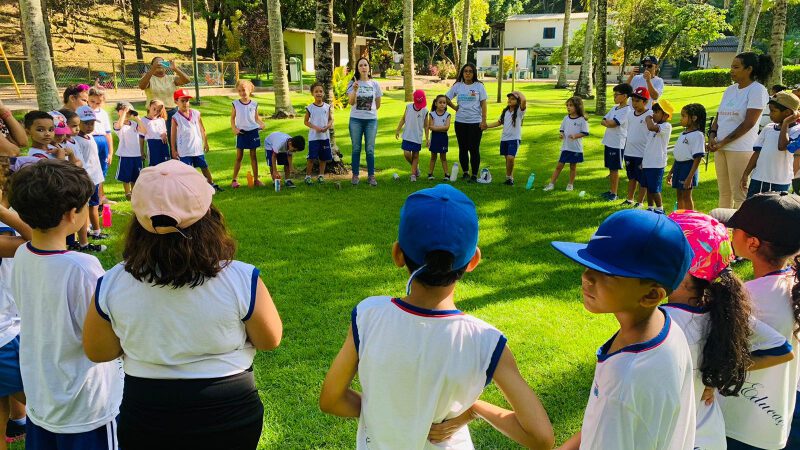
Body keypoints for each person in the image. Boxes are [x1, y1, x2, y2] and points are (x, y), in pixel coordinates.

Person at [320, 184, 555, 449]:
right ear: (474, 260)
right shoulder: (487, 341)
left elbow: (331, 399)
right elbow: (541, 438)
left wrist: (389, 413)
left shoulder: (368, 315)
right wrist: (475, 407)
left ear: (397, 254)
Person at [82, 160, 282, 449]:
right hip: (229, 412)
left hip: (146, 413)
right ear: (209, 215)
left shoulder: (112, 282)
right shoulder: (241, 277)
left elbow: (99, 351)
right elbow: (269, 340)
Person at [552, 209, 696, 449]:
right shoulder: (665, 325)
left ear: (651, 295)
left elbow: (613, 410)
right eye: (588, 265)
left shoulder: (623, 382)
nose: (586, 277)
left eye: (606, 273)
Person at [8, 159, 123, 449]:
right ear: (73, 214)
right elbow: (104, 330)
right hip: (86, 406)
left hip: (43, 397)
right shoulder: (83, 266)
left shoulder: (22, 254)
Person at [664, 210, 794, 450]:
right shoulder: (722, 308)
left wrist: (717, 376)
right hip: (709, 435)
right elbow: (781, 348)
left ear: (682, 267)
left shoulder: (665, 323)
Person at [714, 193, 800, 449]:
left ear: (752, 243)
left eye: (736, 229)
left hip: (744, 425)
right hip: (785, 414)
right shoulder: (793, 285)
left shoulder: (747, 298)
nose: (731, 233)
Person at [708, 52, 773, 209]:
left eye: (736, 67)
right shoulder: (730, 90)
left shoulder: (757, 90)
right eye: (731, 66)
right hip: (719, 147)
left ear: (749, 69)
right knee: (724, 193)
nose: (731, 70)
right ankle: (724, 229)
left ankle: (740, 231)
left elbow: (749, 123)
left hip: (740, 149)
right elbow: (719, 117)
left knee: (739, 195)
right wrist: (712, 135)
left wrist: (723, 142)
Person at [741, 91, 800, 198]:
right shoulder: (768, 128)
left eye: (773, 111)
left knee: (774, 214)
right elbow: (757, 153)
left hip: (780, 182)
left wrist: (785, 123)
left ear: (787, 112)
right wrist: (746, 174)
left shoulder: (797, 131)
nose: (770, 114)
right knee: (751, 211)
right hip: (758, 179)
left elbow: (782, 146)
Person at [171, 89, 223, 192]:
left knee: (204, 166)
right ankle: (189, 188)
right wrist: (173, 149)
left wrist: (206, 142)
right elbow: (173, 135)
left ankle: (211, 184)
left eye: (187, 100)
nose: (185, 103)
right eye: (183, 101)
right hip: (185, 150)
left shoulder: (196, 113)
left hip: (197, 148)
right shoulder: (175, 118)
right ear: (176, 102)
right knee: (187, 171)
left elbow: (202, 129)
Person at [446, 63, 488, 183]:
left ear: (474, 73)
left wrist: (484, 120)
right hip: (460, 122)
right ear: (462, 73)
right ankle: (465, 173)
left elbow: (483, 104)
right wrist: (455, 108)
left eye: (470, 71)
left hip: (475, 122)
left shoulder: (479, 86)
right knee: (463, 148)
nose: (468, 73)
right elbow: (446, 98)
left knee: (474, 149)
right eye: (465, 71)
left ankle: (474, 174)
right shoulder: (458, 86)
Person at [73, 106, 108, 247]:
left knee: (94, 204)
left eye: (92, 123)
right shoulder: (77, 140)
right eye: (86, 123)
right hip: (87, 179)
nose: (89, 126)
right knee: (89, 206)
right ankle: (93, 230)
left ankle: (93, 230)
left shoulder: (90, 137)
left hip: (95, 177)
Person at [137, 57, 191, 146]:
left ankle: (176, 157)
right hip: (155, 114)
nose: (159, 64)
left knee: (175, 140)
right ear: (152, 65)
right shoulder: (149, 78)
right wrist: (152, 69)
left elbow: (187, 80)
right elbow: (142, 86)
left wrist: (175, 68)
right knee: (158, 140)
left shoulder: (171, 78)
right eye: (156, 63)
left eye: (162, 63)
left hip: (172, 112)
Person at [347, 58, 382, 186]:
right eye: (360, 65)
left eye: (365, 65)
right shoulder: (353, 83)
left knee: (370, 149)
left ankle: (371, 176)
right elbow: (351, 102)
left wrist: (369, 111)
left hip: (371, 121)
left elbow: (377, 104)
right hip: (355, 120)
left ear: (369, 67)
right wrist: (355, 90)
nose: (363, 67)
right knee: (356, 148)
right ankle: (355, 175)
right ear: (357, 68)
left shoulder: (375, 84)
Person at [543, 96, 589, 192]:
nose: (568, 107)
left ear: (578, 106)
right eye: (567, 105)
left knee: (573, 167)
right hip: (565, 147)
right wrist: (561, 135)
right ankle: (551, 184)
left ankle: (570, 184)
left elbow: (585, 132)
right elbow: (562, 130)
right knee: (559, 166)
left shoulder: (582, 119)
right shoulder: (565, 118)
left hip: (576, 148)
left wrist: (576, 136)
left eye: (571, 105)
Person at [667, 103, 706, 211]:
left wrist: (690, 177)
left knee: (686, 196)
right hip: (678, 167)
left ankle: (689, 218)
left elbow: (697, 158)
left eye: (683, 116)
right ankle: (681, 217)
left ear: (693, 118)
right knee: (679, 195)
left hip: (688, 168)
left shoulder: (698, 135)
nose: (681, 119)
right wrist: (671, 172)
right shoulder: (683, 134)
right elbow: (678, 156)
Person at [485, 91, 527, 186]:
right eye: (509, 98)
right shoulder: (505, 111)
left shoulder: (520, 111)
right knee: (507, 160)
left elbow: (524, 100)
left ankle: (508, 177)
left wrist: (517, 92)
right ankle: (510, 178)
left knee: (511, 158)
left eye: (513, 99)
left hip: (514, 138)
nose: (510, 100)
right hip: (504, 139)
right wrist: (486, 126)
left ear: (517, 101)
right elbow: (499, 122)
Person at [599, 83, 632, 200]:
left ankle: (614, 193)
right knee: (610, 168)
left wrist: (608, 122)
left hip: (617, 144)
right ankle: (611, 191)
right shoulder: (614, 108)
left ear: (624, 96)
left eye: (616, 95)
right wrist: (607, 122)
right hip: (609, 141)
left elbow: (612, 124)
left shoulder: (627, 110)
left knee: (614, 169)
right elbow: (603, 120)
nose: (614, 97)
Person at [230, 80, 266, 189]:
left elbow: (256, 118)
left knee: (253, 156)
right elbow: (232, 118)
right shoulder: (235, 104)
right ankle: (234, 180)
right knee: (239, 156)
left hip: (253, 132)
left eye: (244, 90)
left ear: (250, 90)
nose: (242, 93)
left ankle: (256, 180)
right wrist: (234, 128)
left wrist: (262, 123)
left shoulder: (254, 104)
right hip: (241, 132)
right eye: (239, 91)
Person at [621, 87, 653, 207]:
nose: (634, 103)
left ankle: (640, 202)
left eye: (637, 101)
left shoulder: (650, 115)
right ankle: (630, 199)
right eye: (633, 100)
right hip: (629, 151)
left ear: (645, 102)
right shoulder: (630, 114)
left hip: (642, 153)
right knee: (631, 177)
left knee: (642, 179)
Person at [641, 100, 674, 213]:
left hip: (657, 163)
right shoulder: (656, 125)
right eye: (653, 111)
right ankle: (650, 207)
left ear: (665, 115)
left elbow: (650, 127)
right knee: (648, 186)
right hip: (648, 162)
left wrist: (648, 118)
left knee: (655, 188)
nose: (653, 114)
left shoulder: (666, 126)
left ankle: (660, 209)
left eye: (656, 112)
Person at [113, 102, 145, 200]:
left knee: (135, 175)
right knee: (126, 175)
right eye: (125, 112)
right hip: (125, 154)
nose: (128, 114)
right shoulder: (117, 123)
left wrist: (138, 118)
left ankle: (134, 192)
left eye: (129, 113)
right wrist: (124, 113)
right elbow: (119, 125)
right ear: (119, 112)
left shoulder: (134, 124)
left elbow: (143, 131)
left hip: (136, 154)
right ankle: (127, 193)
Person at [395, 90, 429, 182]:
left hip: (417, 137)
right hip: (407, 135)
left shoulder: (425, 111)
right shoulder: (408, 107)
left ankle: (413, 174)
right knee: (406, 154)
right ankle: (416, 168)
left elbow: (426, 126)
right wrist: (398, 130)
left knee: (415, 156)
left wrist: (427, 139)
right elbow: (403, 119)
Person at [304, 82, 333, 184]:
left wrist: (327, 126)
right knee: (311, 158)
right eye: (316, 91)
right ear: (312, 93)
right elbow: (306, 122)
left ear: (324, 93)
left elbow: (331, 119)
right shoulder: (310, 108)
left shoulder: (327, 107)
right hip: (314, 138)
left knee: (323, 158)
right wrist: (315, 127)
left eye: (320, 91)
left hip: (324, 137)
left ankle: (321, 175)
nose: (319, 93)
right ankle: (308, 176)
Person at [87, 89, 114, 202]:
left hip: (102, 141)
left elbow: (108, 133)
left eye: (98, 103)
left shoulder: (103, 113)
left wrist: (110, 152)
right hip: (90, 140)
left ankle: (101, 196)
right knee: (91, 169)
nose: (94, 105)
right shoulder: (84, 112)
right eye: (92, 101)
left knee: (102, 170)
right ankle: (91, 196)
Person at [425, 94, 451, 181]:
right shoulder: (432, 114)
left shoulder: (448, 115)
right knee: (433, 157)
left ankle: (447, 174)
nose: (442, 104)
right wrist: (441, 128)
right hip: (435, 138)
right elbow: (430, 127)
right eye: (440, 102)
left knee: (443, 157)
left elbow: (447, 127)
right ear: (436, 103)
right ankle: (430, 174)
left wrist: (436, 128)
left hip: (443, 138)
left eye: (444, 103)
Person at [139, 99, 170, 166]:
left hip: (163, 145)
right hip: (152, 145)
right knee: (153, 166)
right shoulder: (143, 120)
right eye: (154, 109)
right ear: (149, 107)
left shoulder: (161, 120)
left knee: (165, 165)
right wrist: (141, 151)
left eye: (158, 111)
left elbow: (164, 132)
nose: (156, 112)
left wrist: (165, 134)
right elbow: (141, 137)